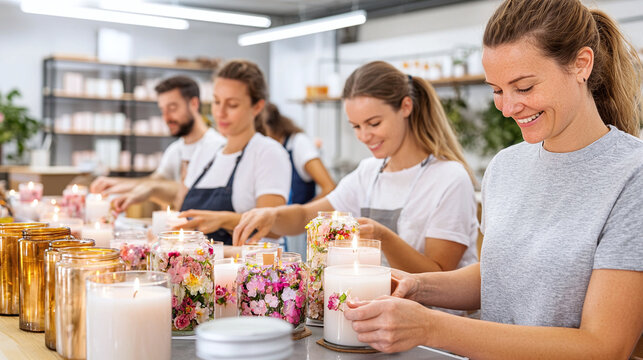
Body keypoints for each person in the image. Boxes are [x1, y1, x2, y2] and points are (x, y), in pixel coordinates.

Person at [342, 0, 643, 357]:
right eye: (497, 90)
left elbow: (604, 346)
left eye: (525, 87)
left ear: (581, 64)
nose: (508, 108)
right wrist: (415, 286)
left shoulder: (632, 176)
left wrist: (431, 325)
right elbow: (499, 276)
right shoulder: (506, 166)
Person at [234, 61, 479, 274]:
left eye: (373, 123)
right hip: (377, 312)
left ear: (406, 107)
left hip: (434, 320)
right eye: (356, 126)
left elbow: (439, 276)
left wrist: (383, 237)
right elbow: (307, 217)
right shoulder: (369, 172)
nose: (364, 136)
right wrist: (272, 215)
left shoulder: (449, 178)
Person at [174, 60, 292, 244]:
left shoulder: (268, 153)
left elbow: (274, 228)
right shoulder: (205, 151)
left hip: (245, 269)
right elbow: (180, 210)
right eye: (216, 102)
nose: (220, 112)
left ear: (257, 106)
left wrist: (222, 220)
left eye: (232, 104)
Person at [91, 76, 225, 204]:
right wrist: (118, 183)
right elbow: (156, 180)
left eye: (172, 108)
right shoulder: (176, 149)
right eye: (162, 110)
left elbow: (190, 191)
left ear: (194, 104)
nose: (166, 118)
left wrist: (151, 189)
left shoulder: (218, 148)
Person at [262, 102, 336, 204]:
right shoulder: (265, 151)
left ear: (270, 127)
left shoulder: (299, 143)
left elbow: (330, 188)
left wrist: (301, 214)